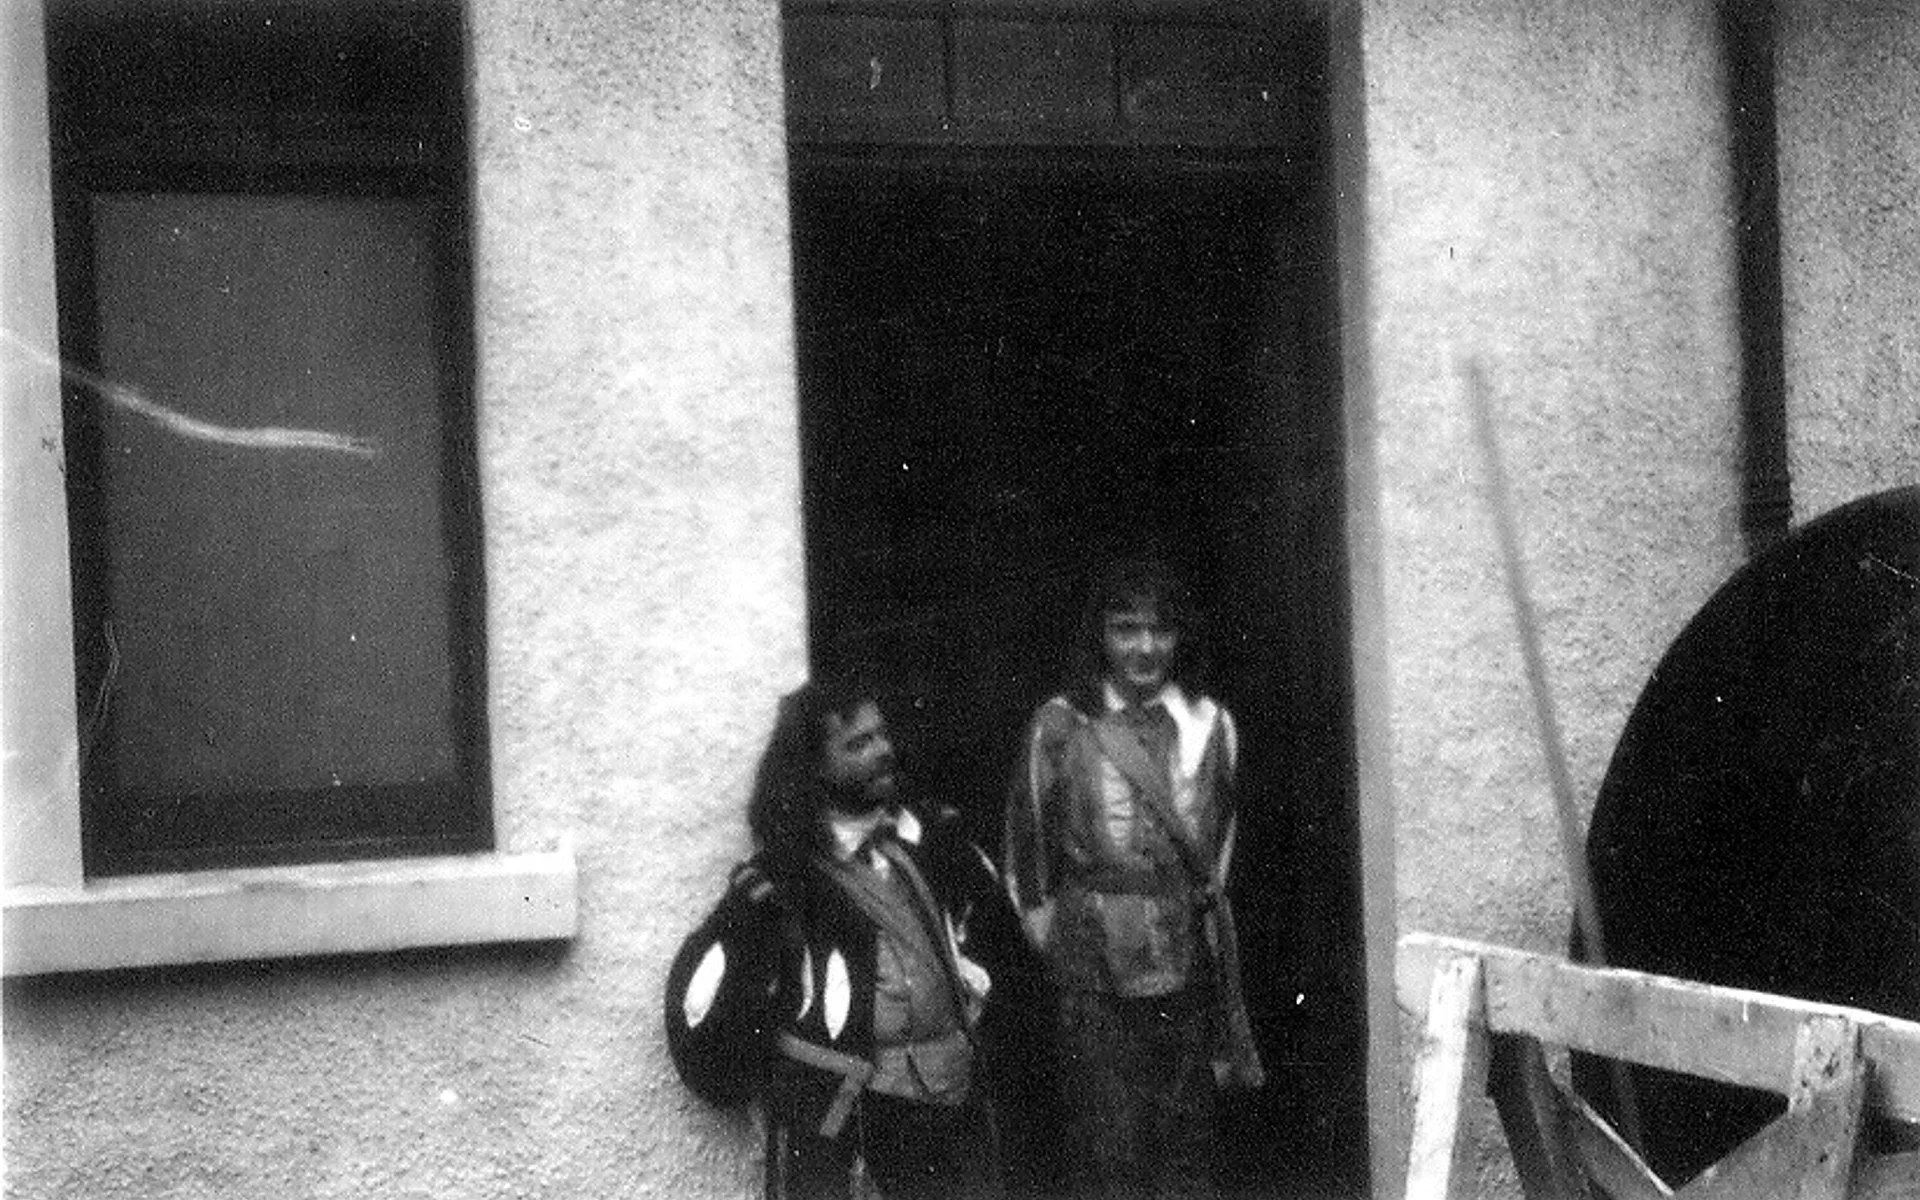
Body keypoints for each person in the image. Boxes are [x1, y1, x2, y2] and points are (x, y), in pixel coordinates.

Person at [665, 668, 1008, 1200]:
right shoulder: (780, 882)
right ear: (814, 767)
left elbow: (996, 947)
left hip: (949, 1113)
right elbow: (713, 1005)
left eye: (881, 735)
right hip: (850, 1129)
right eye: (858, 744)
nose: (882, 751)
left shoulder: (934, 850)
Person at [1002, 559, 1263, 1200]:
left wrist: (1190, 926)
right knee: (1105, 1150)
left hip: (1185, 967)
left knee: (1186, 1144)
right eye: (1125, 629)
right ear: (1100, 636)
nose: (1145, 648)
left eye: (1161, 630)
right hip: (1091, 974)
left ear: (1181, 636)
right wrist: (1066, 944)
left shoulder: (1211, 723)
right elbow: (1026, 855)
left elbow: (1218, 854)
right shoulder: (1060, 725)